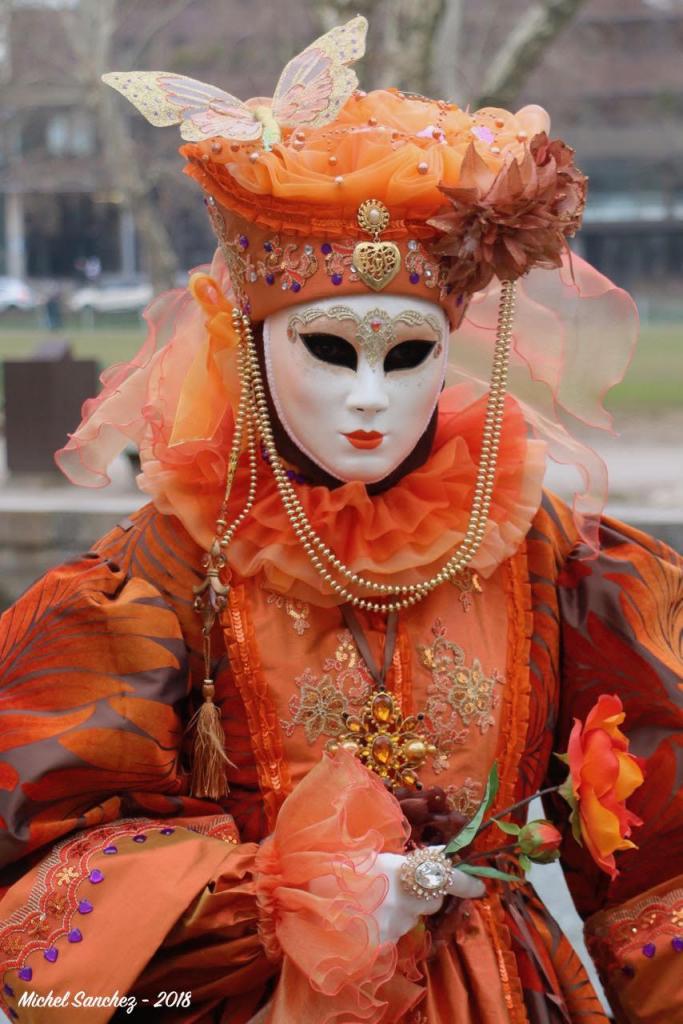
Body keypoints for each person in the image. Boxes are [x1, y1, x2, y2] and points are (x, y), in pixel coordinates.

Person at [0, 16, 681, 1024]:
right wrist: (316, 901)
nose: (368, 397)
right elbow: (64, 852)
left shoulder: (548, 556)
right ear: (252, 346)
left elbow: (658, 848)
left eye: (403, 354)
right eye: (328, 349)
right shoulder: (166, 568)